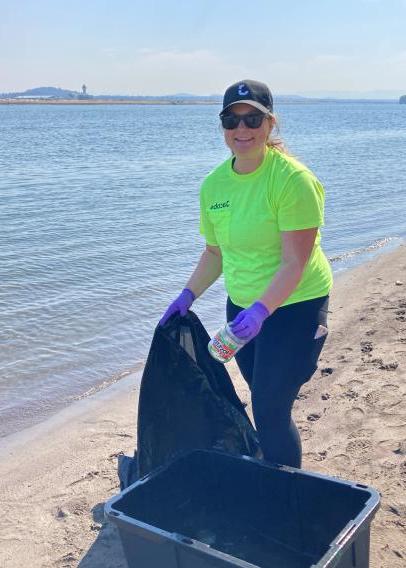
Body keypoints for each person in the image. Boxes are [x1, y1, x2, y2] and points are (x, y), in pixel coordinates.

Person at [159, 79, 333, 468]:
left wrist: (261, 311)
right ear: (222, 126)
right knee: (262, 399)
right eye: (231, 120)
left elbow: (295, 262)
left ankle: (286, 493)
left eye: (253, 119)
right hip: (240, 311)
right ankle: (274, 473)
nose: (242, 130)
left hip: (295, 306)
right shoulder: (213, 186)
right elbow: (214, 253)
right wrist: (187, 296)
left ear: (270, 124)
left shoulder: (292, 180)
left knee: (270, 408)